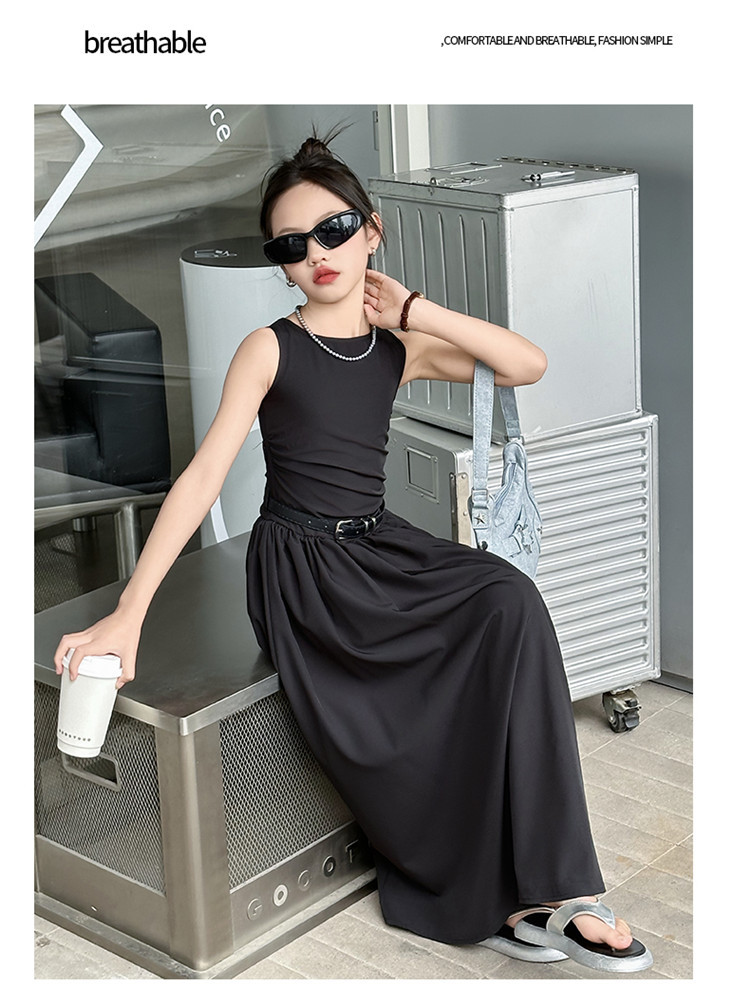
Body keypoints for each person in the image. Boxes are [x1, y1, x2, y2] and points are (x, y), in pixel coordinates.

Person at [54, 132, 652, 975]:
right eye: (291, 246)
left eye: (334, 230)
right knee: (436, 675)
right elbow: (202, 476)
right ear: (283, 267)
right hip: (302, 569)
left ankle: (563, 886)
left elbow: (527, 364)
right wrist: (129, 613)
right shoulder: (271, 347)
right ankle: (484, 886)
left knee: (508, 600)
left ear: (372, 230)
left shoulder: (395, 345)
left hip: (376, 542)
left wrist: (415, 311)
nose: (317, 255)